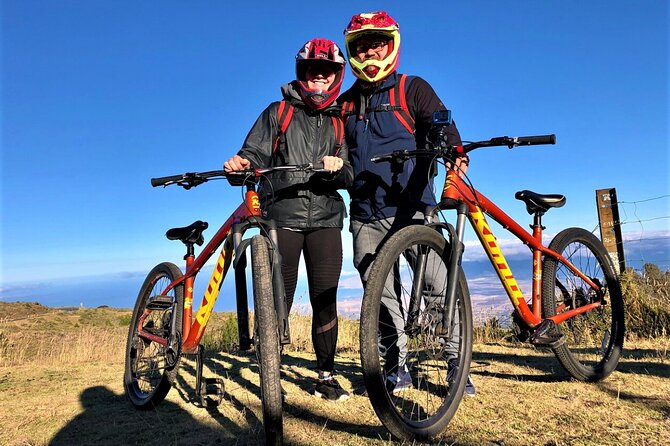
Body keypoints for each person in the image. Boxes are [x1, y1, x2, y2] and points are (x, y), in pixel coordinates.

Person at [338, 11, 476, 397]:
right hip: (366, 214)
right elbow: (334, 149)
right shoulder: (345, 104)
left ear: (391, 45)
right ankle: (395, 367)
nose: (369, 52)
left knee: (436, 285)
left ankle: (455, 364)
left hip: (414, 207)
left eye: (376, 43)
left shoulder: (411, 88)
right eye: (362, 45)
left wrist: (453, 149)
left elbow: (440, 123)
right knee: (379, 295)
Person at [224, 38, 353, 401]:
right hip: (280, 217)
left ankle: (325, 376)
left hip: (327, 219)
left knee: (325, 299)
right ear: (302, 74)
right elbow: (252, 153)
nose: (319, 78)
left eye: (326, 73)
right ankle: (271, 373)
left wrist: (338, 168)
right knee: (276, 299)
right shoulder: (278, 112)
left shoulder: (342, 120)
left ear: (335, 77)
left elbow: (353, 174)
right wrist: (241, 163)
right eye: (313, 71)